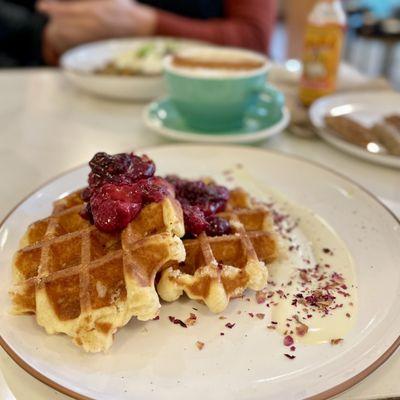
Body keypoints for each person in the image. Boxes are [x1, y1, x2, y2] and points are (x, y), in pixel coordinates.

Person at [32, 0, 275, 65]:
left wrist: (146, 24)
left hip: (209, 103)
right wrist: (50, 39)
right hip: (84, 95)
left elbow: (253, 39)